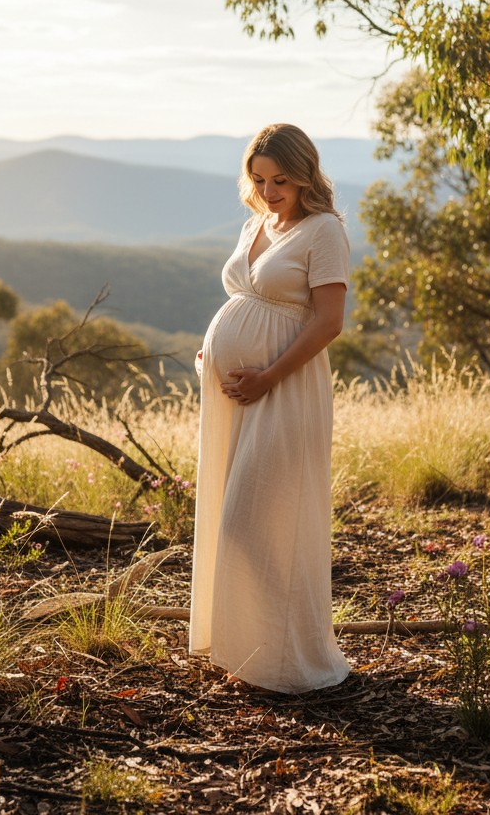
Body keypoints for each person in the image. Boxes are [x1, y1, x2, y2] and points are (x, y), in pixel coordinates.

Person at [189, 123, 351, 694]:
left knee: (261, 518)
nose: (269, 190)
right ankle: (244, 648)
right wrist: (217, 345)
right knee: (230, 511)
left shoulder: (323, 230)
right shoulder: (256, 221)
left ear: (306, 173)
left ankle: (286, 662)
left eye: (280, 179)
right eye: (259, 179)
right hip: (241, 390)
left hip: (286, 387)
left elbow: (328, 322)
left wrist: (268, 374)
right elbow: (247, 296)